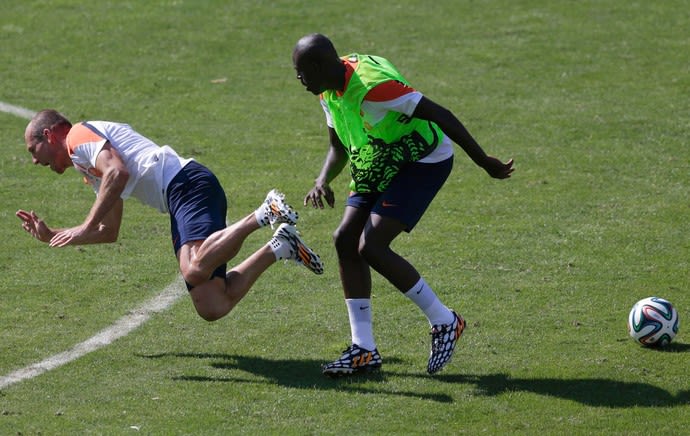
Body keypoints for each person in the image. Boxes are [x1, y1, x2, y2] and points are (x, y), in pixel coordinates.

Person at [293, 33, 514, 377]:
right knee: (345, 240)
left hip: (421, 160)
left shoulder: (374, 88)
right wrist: (322, 180)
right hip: (378, 158)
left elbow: (441, 114)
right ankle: (363, 349)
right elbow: (337, 147)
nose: (298, 80)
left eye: (301, 72)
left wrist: (483, 160)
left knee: (373, 246)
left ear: (319, 65)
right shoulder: (327, 89)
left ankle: (445, 321)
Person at [17, 109, 324, 322]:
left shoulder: (78, 137)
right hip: (178, 199)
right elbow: (109, 231)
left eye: (34, 149)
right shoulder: (90, 167)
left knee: (193, 271)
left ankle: (263, 212)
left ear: (49, 135)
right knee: (212, 305)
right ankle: (281, 246)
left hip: (187, 185)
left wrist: (83, 226)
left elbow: (119, 173)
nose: (34, 160)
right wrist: (54, 235)